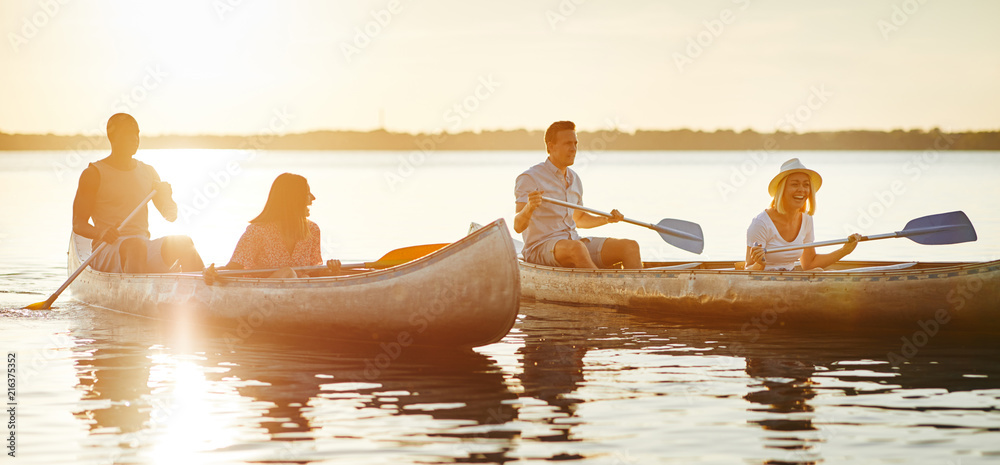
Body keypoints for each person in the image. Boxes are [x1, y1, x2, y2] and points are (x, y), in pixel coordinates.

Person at [72, 113, 204, 273]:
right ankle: (134, 294)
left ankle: (202, 292)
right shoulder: (93, 174)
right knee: (136, 247)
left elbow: (171, 216)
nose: (134, 138)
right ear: (112, 137)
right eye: (128, 134)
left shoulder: (148, 172)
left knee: (184, 242)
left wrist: (167, 197)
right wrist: (101, 232)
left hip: (142, 247)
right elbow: (78, 224)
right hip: (106, 249)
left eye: (136, 134)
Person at [514, 120, 641, 269]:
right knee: (577, 248)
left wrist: (606, 219)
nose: (573, 149)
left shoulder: (574, 179)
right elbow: (518, 226)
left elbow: (579, 219)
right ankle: (602, 289)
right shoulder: (530, 177)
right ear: (551, 146)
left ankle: (639, 292)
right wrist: (529, 207)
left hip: (574, 243)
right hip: (540, 248)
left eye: (575, 144)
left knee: (630, 247)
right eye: (568, 144)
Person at [204, 173, 339, 281]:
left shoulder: (313, 230)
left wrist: (332, 270)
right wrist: (212, 273)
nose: (313, 198)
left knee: (295, 275)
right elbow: (234, 269)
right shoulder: (257, 231)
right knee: (288, 273)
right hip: (262, 297)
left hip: (301, 295)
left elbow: (314, 273)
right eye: (307, 193)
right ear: (293, 200)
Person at [745, 158, 861, 271]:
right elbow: (747, 270)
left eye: (806, 185)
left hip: (791, 280)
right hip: (764, 282)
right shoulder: (761, 223)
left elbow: (809, 264)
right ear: (782, 189)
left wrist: (845, 250)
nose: (802, 190)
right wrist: (759, 264)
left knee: (818, 271)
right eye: (795, 184)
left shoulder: (806, 219)